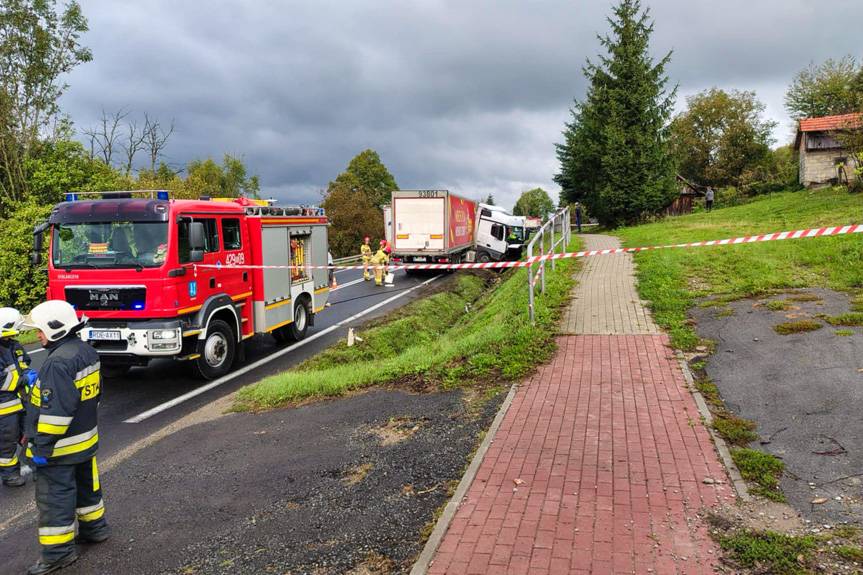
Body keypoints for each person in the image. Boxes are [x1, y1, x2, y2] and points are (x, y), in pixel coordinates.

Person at [22, 300, 109, 575]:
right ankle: (95, 529)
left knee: (54, 499)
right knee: (87, 488)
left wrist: (41, 447)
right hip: (85, 440)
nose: (37, 335)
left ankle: (58, 554)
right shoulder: (86, 351)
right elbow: (93, 396)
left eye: (40, 330)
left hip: (59, 448)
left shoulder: (57, 363)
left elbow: (55, 413)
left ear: (55, 328)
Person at [0, 307, 37, 488]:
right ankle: (9, 475)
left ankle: (39, 468)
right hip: (4, 407)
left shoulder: (14, 346)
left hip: (22, 402)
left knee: (31, 434)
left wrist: (28, 372)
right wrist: (23, 379)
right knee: (7, 442)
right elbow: (2, 380)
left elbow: (24, 363)